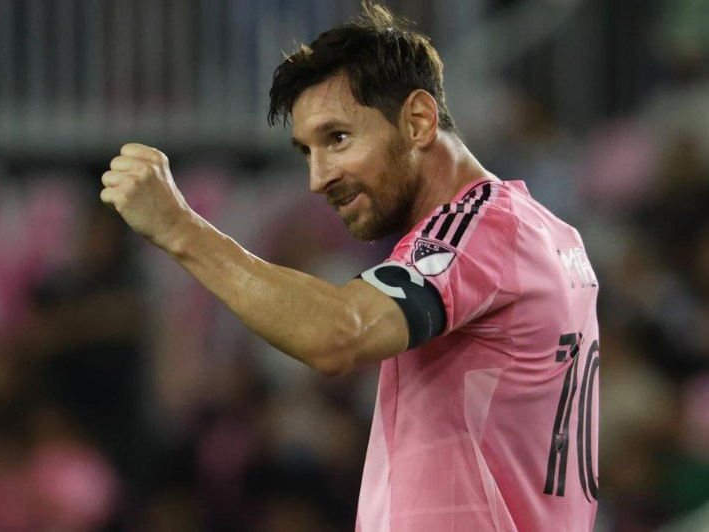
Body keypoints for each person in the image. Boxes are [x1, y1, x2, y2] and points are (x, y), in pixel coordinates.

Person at [99, 3, 600, 531]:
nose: (318, 178)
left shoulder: (480, 228)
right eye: (306, 151)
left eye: (338, 138)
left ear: (418, 120)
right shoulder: (547, 235)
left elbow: (338, 334)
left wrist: (179, 227)